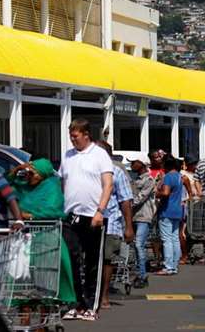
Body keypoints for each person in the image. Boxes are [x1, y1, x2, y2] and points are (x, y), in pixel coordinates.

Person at [59, 119, 113, 322]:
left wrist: (100, 211)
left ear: (86, 135)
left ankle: (91, 305)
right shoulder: (68, 156)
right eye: (71, 136)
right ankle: (76, 303)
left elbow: (107, 185)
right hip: (71, 215)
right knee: (72, 261)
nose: (73, 140)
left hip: (93, 216)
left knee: (92, 262)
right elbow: (64, 182)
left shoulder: (99, 155)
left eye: (76, 136)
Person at [6, 158, 77, 305]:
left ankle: (49, 302)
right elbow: (5, 186)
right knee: (20, 270)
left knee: (46, 271)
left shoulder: (52, 187)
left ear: (43, 175)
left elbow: (53, 210)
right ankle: (21, 301)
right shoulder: (24, 186)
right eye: (29, 173)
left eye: (34, 174)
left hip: (46, 233)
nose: (30, 176)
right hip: (25, 235)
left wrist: (28, 215)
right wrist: (16, 171)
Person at [95, 140, 134, 310]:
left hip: (110, 222)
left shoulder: (116, 172)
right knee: (88, 260)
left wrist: (128, 226)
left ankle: (103, 295)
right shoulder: (86, 170)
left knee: (107, 259)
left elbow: (125, 200)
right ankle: (89, 295)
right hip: (87, 221)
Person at [155, 156, 184, 275]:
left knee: (167, 239)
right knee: (174, 238)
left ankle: (168, 266)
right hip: (177, 210)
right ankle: (174, 265)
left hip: (167, 210)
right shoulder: (179, 176)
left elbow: (165, 192)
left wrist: (157, 192)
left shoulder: (168, 177)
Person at [130, 158, 156, 289]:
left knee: (139, 245)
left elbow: (140, 197)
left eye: (134, 162)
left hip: (144, 216)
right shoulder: (135, 179)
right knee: (135, 246)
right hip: (134, 217)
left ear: (142, 164)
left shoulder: (148, 180)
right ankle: (139, 272)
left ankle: (143, 275)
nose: (131, 165)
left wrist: (127, 205)